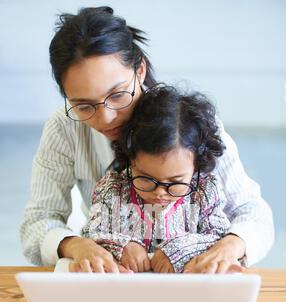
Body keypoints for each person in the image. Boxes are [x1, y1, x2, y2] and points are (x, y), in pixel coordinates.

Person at [20, 6, 274, 273]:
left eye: (117, 95)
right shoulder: (64, 128)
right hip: (113, 278)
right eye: (84, 106)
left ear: (139, 70)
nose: (105, 118)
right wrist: (75, 245)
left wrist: (230, 246)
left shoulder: (189, 124)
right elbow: (38, 222)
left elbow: (252, 212)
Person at [78, 85, 241, 274]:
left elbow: (219, 238)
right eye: (146, 179)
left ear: (196, 167)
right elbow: (91, 233)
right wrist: (123, 245)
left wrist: (178, 250)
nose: (159, 193)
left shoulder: (204, 192)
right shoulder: (113, 189)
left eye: (174, 182)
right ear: (130, 160)